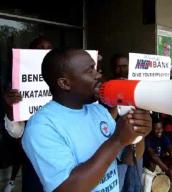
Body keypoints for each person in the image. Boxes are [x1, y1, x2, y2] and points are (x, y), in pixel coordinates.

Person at [21, 48, 152, 192]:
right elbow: (67, 188)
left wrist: (138, 133)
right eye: (90, 71)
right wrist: (117, 140)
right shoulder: (42, 127)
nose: (98, 75)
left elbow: (128, 158)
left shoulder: (98, 111)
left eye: (95, 68)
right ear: (65, 83)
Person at [3, 35, 52, 192]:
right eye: (40, 48)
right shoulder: (17, 83)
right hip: (33, 156)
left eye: (48, 48)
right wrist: (11, 108)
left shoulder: (64, 78)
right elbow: (16, 132)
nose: (44, 52)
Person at [109, 53, 145, 192]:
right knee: (119, 182)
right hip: (115, 143)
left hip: (136, 141)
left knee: (135, 182)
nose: (121, 70)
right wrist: (119, 103)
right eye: (117, 67)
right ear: (112, 68)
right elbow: (105, 119)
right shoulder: (105, 88)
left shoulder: (136, 87)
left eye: (124, 66)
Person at [143, 118, 172, 185]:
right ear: (152, 129)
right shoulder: (147, 139)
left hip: (159, 165)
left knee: (170, 161)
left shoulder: (163, 137)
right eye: (156, 129)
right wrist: (167, 170)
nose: (159, 131)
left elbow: (171, 150)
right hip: (148, 167)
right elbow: (153, 156)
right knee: (152, 166)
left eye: (161, 128)